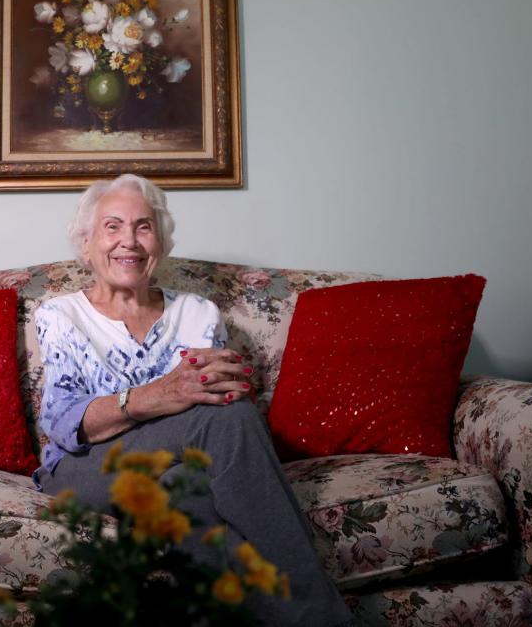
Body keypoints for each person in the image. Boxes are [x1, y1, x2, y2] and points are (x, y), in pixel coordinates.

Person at [34, 174, 353, 626]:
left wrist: (226, 387)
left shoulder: (197, 312)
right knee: (221, 422)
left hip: (175, 463)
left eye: (144, 227)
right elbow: (66, 422)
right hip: (84, 467)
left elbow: (221, 398)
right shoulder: (62, 315)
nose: (130, 241)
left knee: (189, 491)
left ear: (160, 244)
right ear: (86, 244)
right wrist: (162, 395)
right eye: (112, 227)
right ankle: (322, 618)